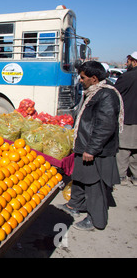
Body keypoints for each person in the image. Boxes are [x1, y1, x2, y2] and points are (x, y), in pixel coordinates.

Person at [57, 61, 124, 231]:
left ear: (94, 79)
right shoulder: (94, 91)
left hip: (95, 151)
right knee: (79, 177)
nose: (80, 80)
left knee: (95, 185)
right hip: (84, 146)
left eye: (83, 77)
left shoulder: (107, 95)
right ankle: (75, 205)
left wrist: (91, 149)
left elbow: (105, 126)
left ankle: (96, 220)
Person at [114, 52, 137, 185]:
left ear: (134, 62)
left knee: (123, 149)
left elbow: (116, 92)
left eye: (129, 61)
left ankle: (121, 176)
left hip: (128, 118)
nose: (127, 63)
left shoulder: (128, 76)